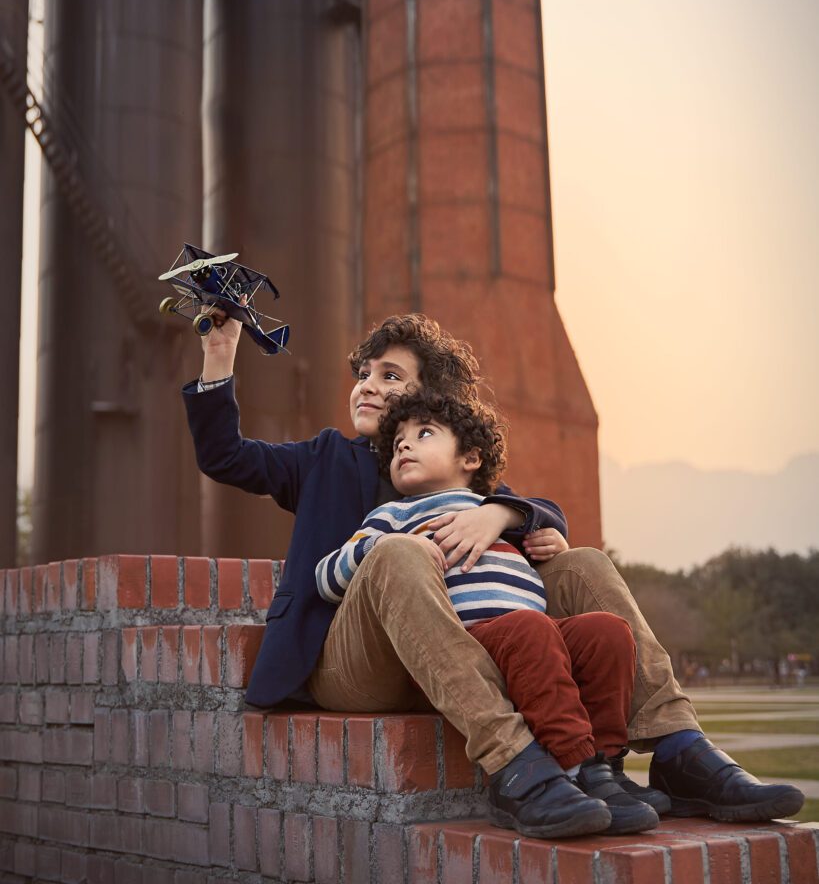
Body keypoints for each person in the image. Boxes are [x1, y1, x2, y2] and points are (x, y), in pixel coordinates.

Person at [183, 310, 804, 827]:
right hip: (355, 663)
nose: (368, 385)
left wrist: (501, 514)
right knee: (399, 552)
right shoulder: (322, 458)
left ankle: (677, 748)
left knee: (580, 560)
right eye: (364, 373)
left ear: (433, 403)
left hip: (458, 655)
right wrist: (219, 355)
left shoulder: (458, 473)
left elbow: (546, 512)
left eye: (391, 375)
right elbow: (226, 456)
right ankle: (517, 769)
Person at [317, 388, 660, 835]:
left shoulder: (503, 513)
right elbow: (328, 575)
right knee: (529, 629)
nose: (403, 444)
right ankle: (568, 763)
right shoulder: (393, 516)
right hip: (473, 646)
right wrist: (388, 544)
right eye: (397, 440)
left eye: (423, 433)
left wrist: (543, 538)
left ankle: (603, 768)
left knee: (607, 632)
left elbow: (549, 519)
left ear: (471, 458)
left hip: (535, 641)